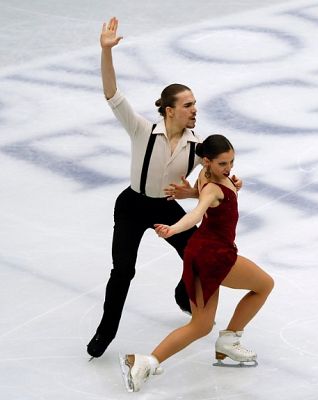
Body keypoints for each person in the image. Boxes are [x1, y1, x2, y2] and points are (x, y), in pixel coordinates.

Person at [87, 17, 224, 359]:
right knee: (123, 271)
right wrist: (106, 52)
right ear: (169, 110)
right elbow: (112, 94)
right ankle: (105, 332)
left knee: (197, 254)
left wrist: (216, 184)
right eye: (188, 104)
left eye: (195, 104)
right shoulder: (142, 130)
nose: (195, 109)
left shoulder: (198, 145)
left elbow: (214, 173)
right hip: (133, 205)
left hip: (165, 207)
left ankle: (182, 294)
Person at [120, 134, 274, 392]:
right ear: (207, 161)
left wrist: (191, 191)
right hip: (216, 256)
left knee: (200, 325)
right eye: (223, 163)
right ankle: (230, 339)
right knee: (265, 284)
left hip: (199, 252)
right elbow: (197, 213)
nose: (229, 168)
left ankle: (146, 362)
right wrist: (173, 229)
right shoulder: (213, 188)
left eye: (232, 161)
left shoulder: (206, 177)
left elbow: (205, 194)